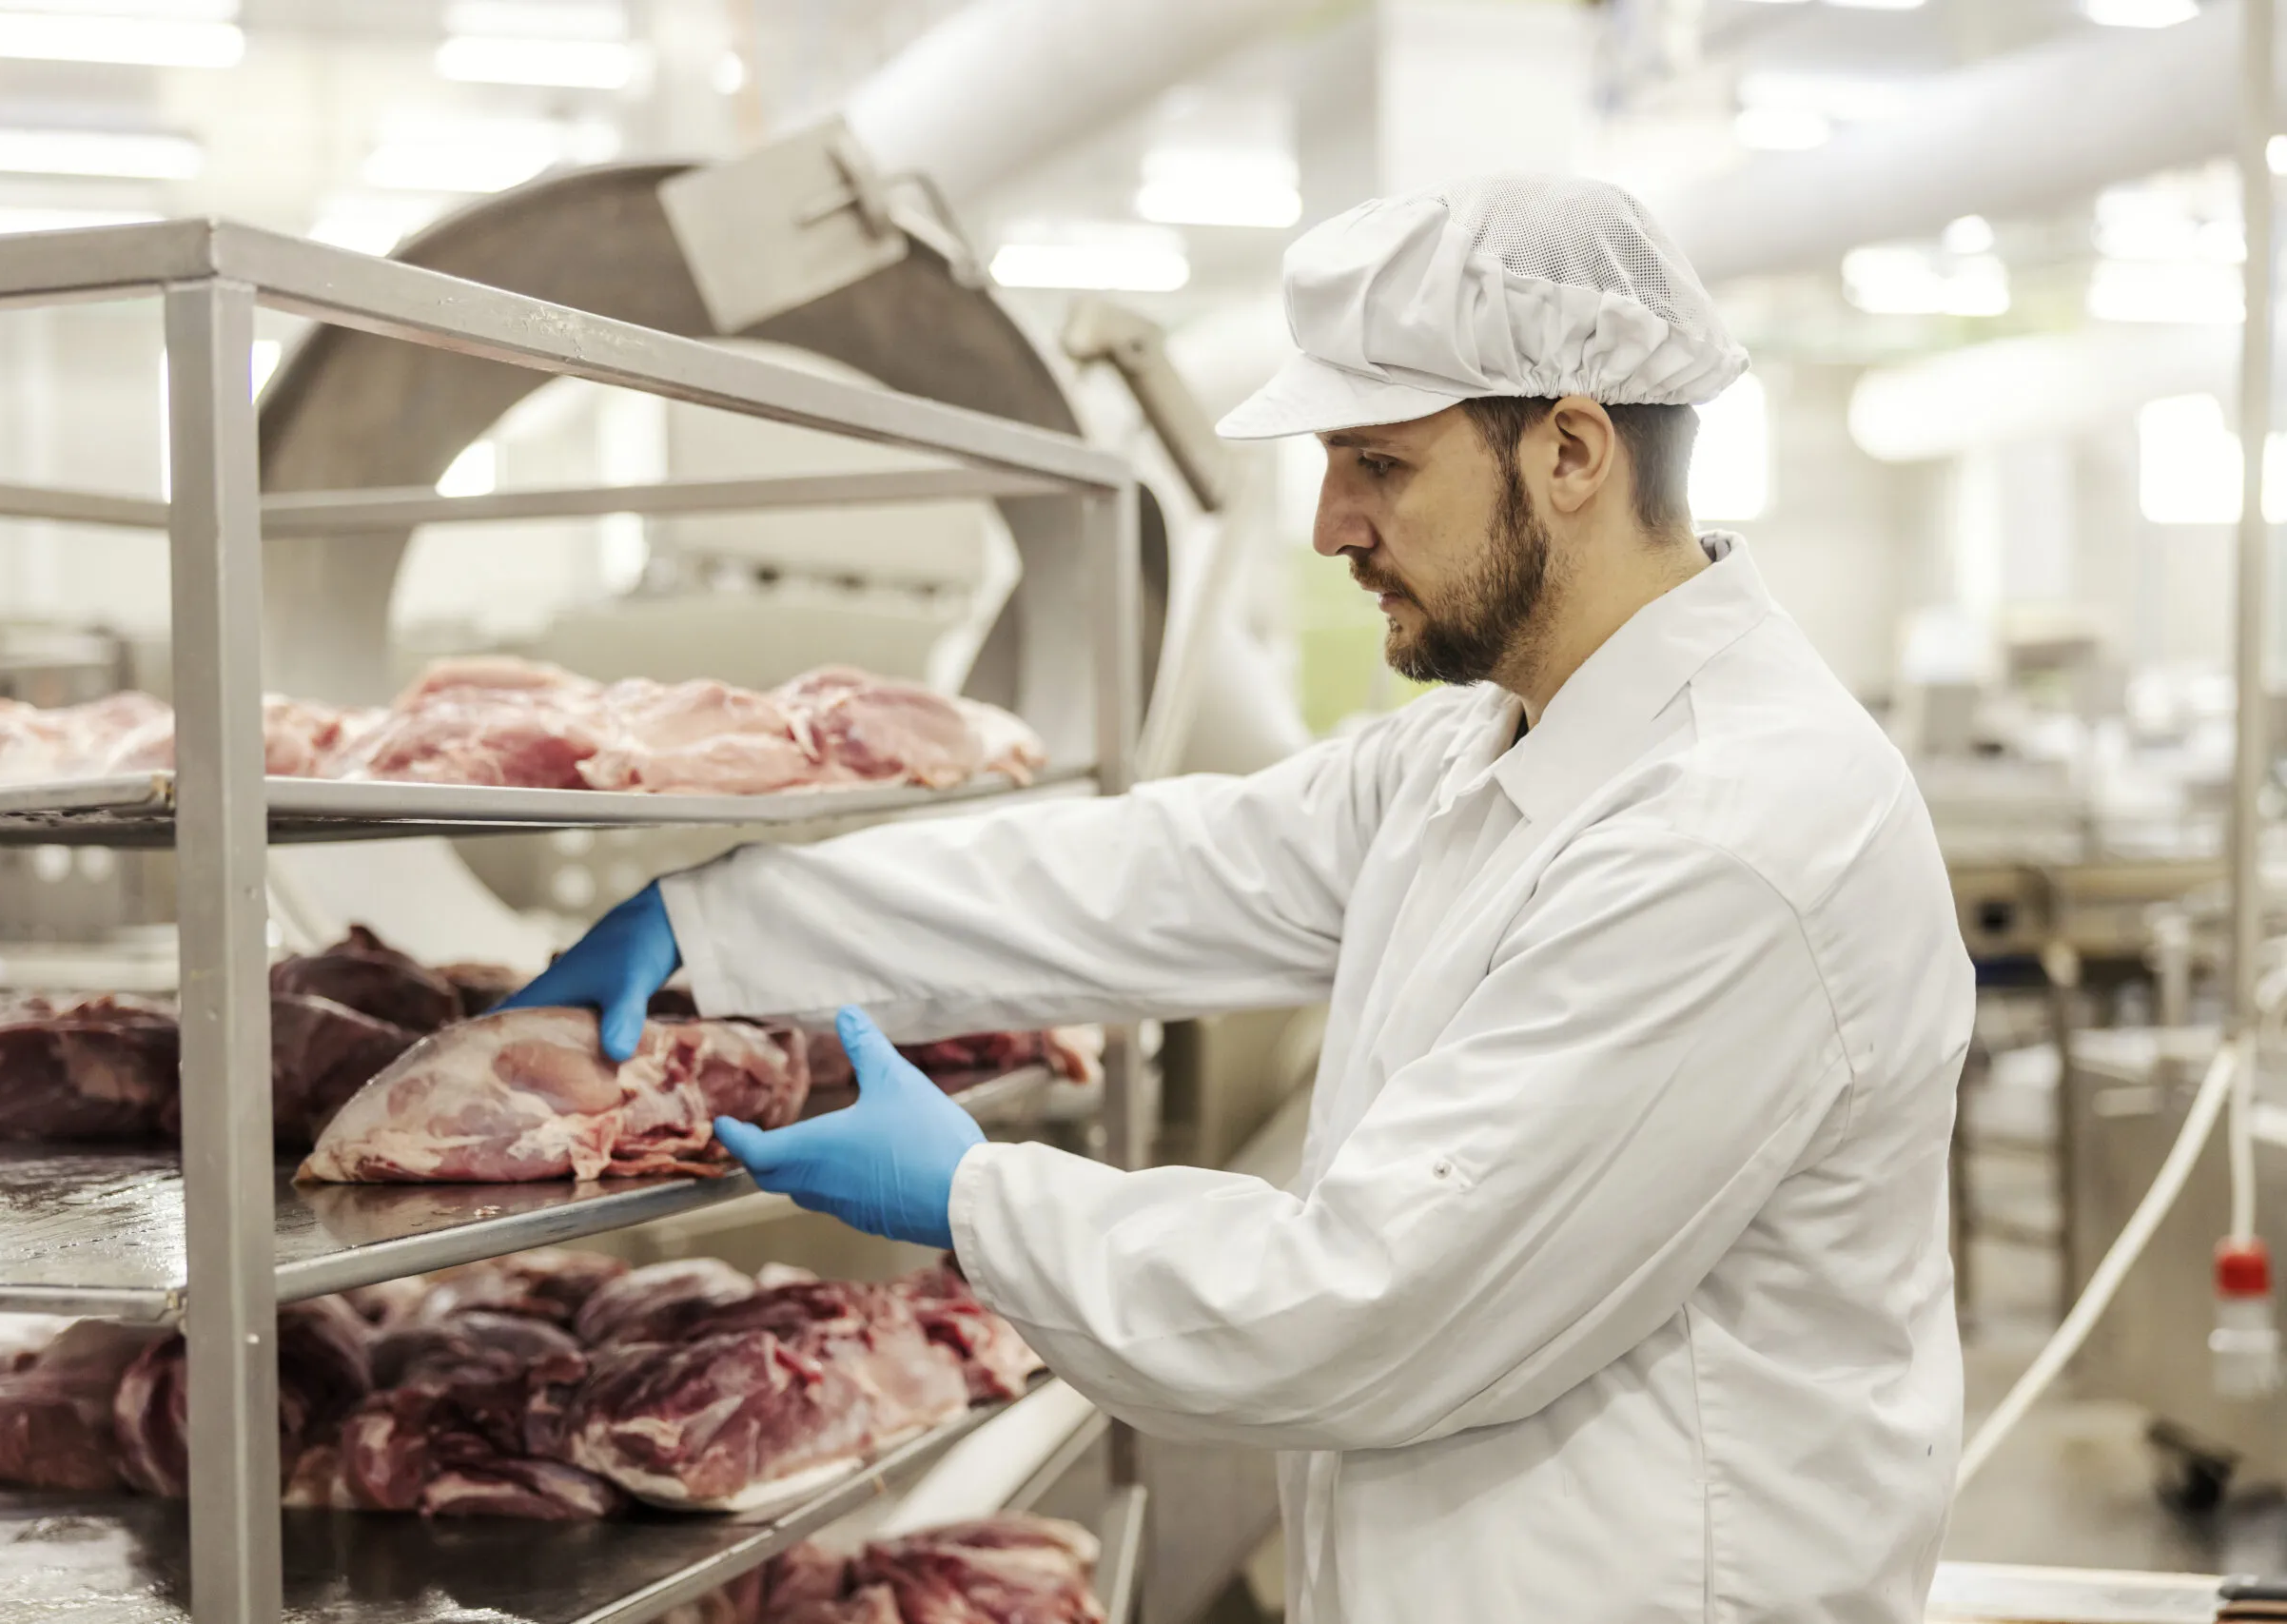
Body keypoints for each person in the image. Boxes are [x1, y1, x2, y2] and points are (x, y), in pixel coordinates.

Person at [505, 174, 1973, 1623]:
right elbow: (1153, 873)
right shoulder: (1484, 746)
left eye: (1379, 464)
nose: (1331, 524)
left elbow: (1373, 1305)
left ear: (1573, 451)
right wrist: (722, 924)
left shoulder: (1734, 834)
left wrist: (975, 1195)